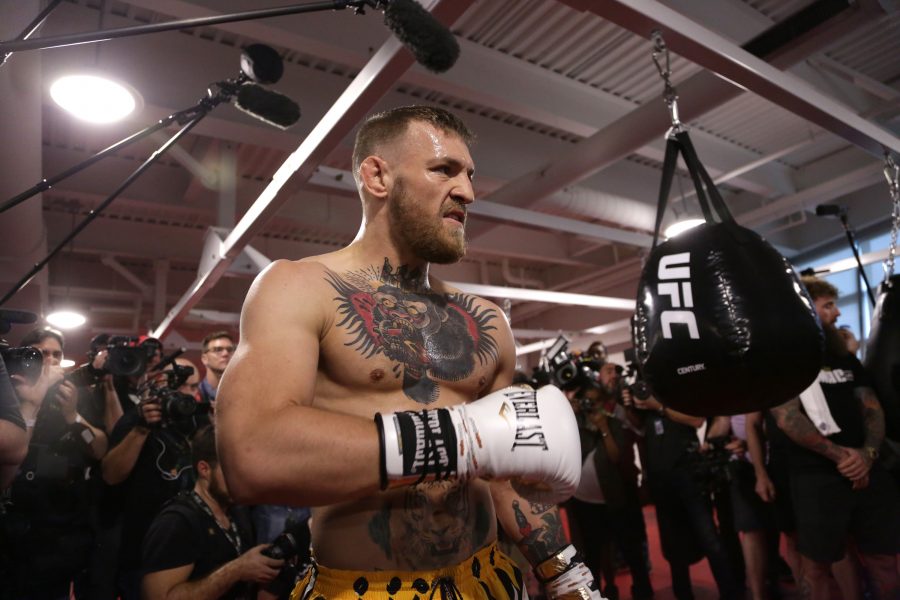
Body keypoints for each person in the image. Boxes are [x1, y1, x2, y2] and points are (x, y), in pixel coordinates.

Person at [216, 106, 601, 600]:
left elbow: (507, 471)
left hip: (489, 579)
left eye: (469, 175)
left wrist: (563, 573)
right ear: (377, 176)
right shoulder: (300, 287)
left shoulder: (486, 320)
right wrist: (463, 436)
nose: (467, 191)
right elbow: (252, 454)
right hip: (365, 590)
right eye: (444, 170)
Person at [771, 276, 900, 600]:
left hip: (867, 469)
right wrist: (843, 458)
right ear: (805, 309)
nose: (838, 313)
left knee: (883, 559)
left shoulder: (842, 355)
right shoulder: (781, 358)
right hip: (817, 476)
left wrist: (867, 455)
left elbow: (871, 407)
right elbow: (787, 418)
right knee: (817, 568)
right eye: (828, 305)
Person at [1, 327, 109, 600]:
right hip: (14, 533)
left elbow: (99, 449)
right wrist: (31, 402)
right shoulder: (11, 396)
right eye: (42, 354)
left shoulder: (75, 396)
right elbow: (13, 450)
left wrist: (73, 416)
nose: (50, 361)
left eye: (57, 355)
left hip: (60, 534)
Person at [101, 356, 210, 599]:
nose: (186, 393)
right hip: (143, 546)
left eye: (192, 386)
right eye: (179, 385)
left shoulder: (200, 421)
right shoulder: (136, 419)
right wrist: (141, 428)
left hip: (192, 544)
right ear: (162, 385)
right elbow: (111, 475)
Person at [141, 425, 284, 599]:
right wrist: (237, 570)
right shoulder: (176, 522)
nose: (242, 478)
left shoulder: (238, 512)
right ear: (204, 469)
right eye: (233, 470)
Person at [635, 394, 741, 600]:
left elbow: (697, 419)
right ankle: (683, 594)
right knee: (674, 548)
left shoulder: (676, 390)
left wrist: (658, 405)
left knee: (710, 538)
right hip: (661, 479)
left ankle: (730, 592)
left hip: (689, 472)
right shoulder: (645, 398)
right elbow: (638, 431)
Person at [567, 359, 653, 600]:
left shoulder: (613, 422)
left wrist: (604, 426)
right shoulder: (576, 425)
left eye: (595, 402)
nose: (591, 406)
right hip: (585, 504)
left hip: (616, 501)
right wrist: (571, 410)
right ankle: (598, 594)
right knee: (592, 555)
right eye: (587, 402)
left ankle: (643, 591)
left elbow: (615, 456)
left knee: (630, 550)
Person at [198, 331, 236, 410]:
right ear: (204, 358)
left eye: (230, 350)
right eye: (218, 350)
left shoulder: (244, 394)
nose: (225, 353)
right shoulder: (196, 394)